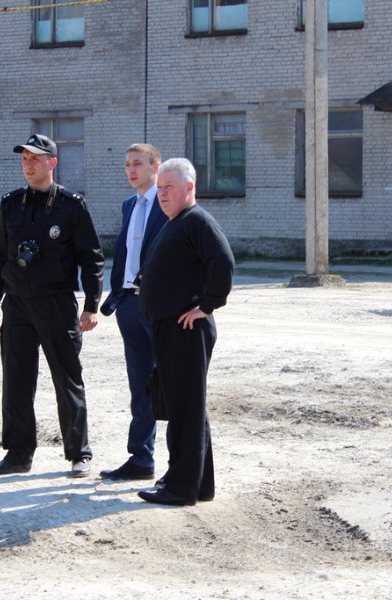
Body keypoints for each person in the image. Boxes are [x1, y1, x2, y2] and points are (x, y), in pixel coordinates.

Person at [0, 133, 104, 478]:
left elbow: (91, 259)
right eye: (24, 159)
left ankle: (79, 453)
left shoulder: (71, 206)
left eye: (35, 158)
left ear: (52, 162)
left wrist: (91, 304)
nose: (28, 164)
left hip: (56, 304)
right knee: (17, 381)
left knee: (67, 379)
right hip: (17, 305)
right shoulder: (11, 204)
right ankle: (18, 453)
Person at [136, 157, 234, 506]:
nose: (162, 194)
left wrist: (207, 305)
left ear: (189, 188)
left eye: (169, 188)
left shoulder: (197, 221)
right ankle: (198, 483)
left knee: (185, 409)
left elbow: (223, 262)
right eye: (159, 188)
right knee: (185, 406)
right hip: (170, 328)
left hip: (186, 330)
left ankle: (180, 488)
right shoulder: (176, 221)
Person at [98, 143, 168, 481]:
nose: (131, 170)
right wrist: (118, 295)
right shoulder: (129, 204)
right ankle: (141, 459)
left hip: (160, 307)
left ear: (155, 167)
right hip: (129, 304)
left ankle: (183, 466)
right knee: (140, 384)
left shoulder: (167, 203)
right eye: (127, 164)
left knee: (170, 383)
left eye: (137, 163)